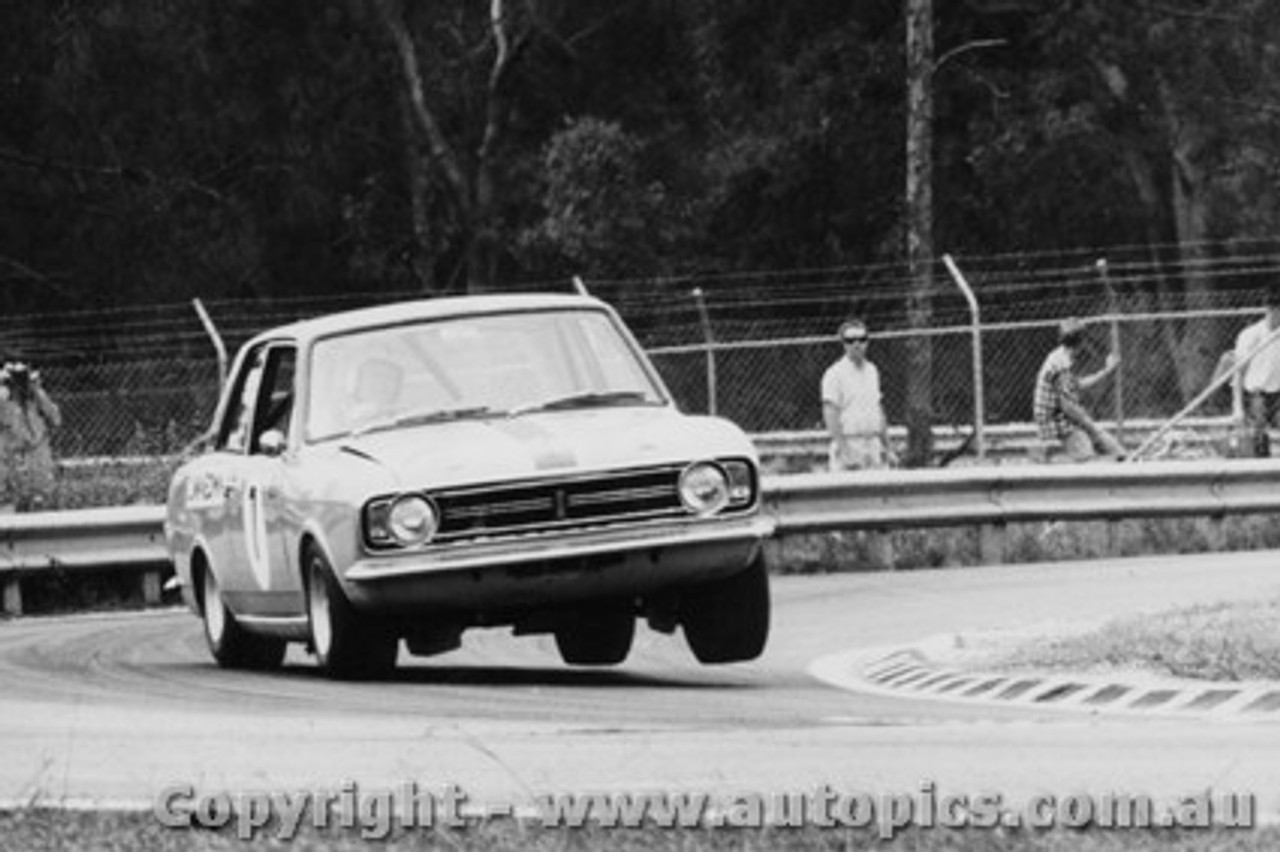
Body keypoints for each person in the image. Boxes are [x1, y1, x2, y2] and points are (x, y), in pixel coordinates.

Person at [1032, 318, 1125, 462]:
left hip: (1058, 417)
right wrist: (1088, 424)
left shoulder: (1060, 356)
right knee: (1087, 452)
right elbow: (1067, 407)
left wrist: (1106, 370)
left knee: (1101, 438)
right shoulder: (1060, 365)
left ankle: (1121, 458)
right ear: (1081, 342)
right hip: (1054, 420)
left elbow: (1078, 385)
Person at [821, 319, 896, 471]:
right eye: (851, 340)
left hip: (873, 445)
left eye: (861, 340)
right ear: (844, 344)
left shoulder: (872, 371)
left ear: (867, 342)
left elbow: (878, 410)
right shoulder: (834, 374)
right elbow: (830, 414)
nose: (857, 344)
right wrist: (844, 450)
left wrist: (888, 448)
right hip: (850, 443)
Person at [0, 361, 62, 511]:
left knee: (42, 494)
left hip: (37, 449)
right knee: (17, 495)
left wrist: (38, 393)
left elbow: (56, 418)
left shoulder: (35, 396)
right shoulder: (3, 399)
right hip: (12, 453)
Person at [1232, 287, 1280, 457]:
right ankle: (1261, 463)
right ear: (1271, 309)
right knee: (1259, 424)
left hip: (1277, 392)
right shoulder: (1251, 335)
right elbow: (1238, 373)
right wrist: (1237, 407)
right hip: (1255, 392)